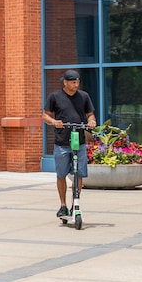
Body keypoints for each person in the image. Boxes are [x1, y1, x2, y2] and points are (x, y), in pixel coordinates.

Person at [42, 69, 97, 218]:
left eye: (77, 82)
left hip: (79, 142)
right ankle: (63, 205)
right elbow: (45, 115)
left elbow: (90, 114)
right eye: (73, 82)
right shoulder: (55, 97)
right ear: (65, 82)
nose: (76, 85)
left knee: (79, 174)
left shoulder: (84, 96)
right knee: (61, 174)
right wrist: (54, 122)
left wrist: (92, 121)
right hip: (62, 142)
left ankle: (75, 204)